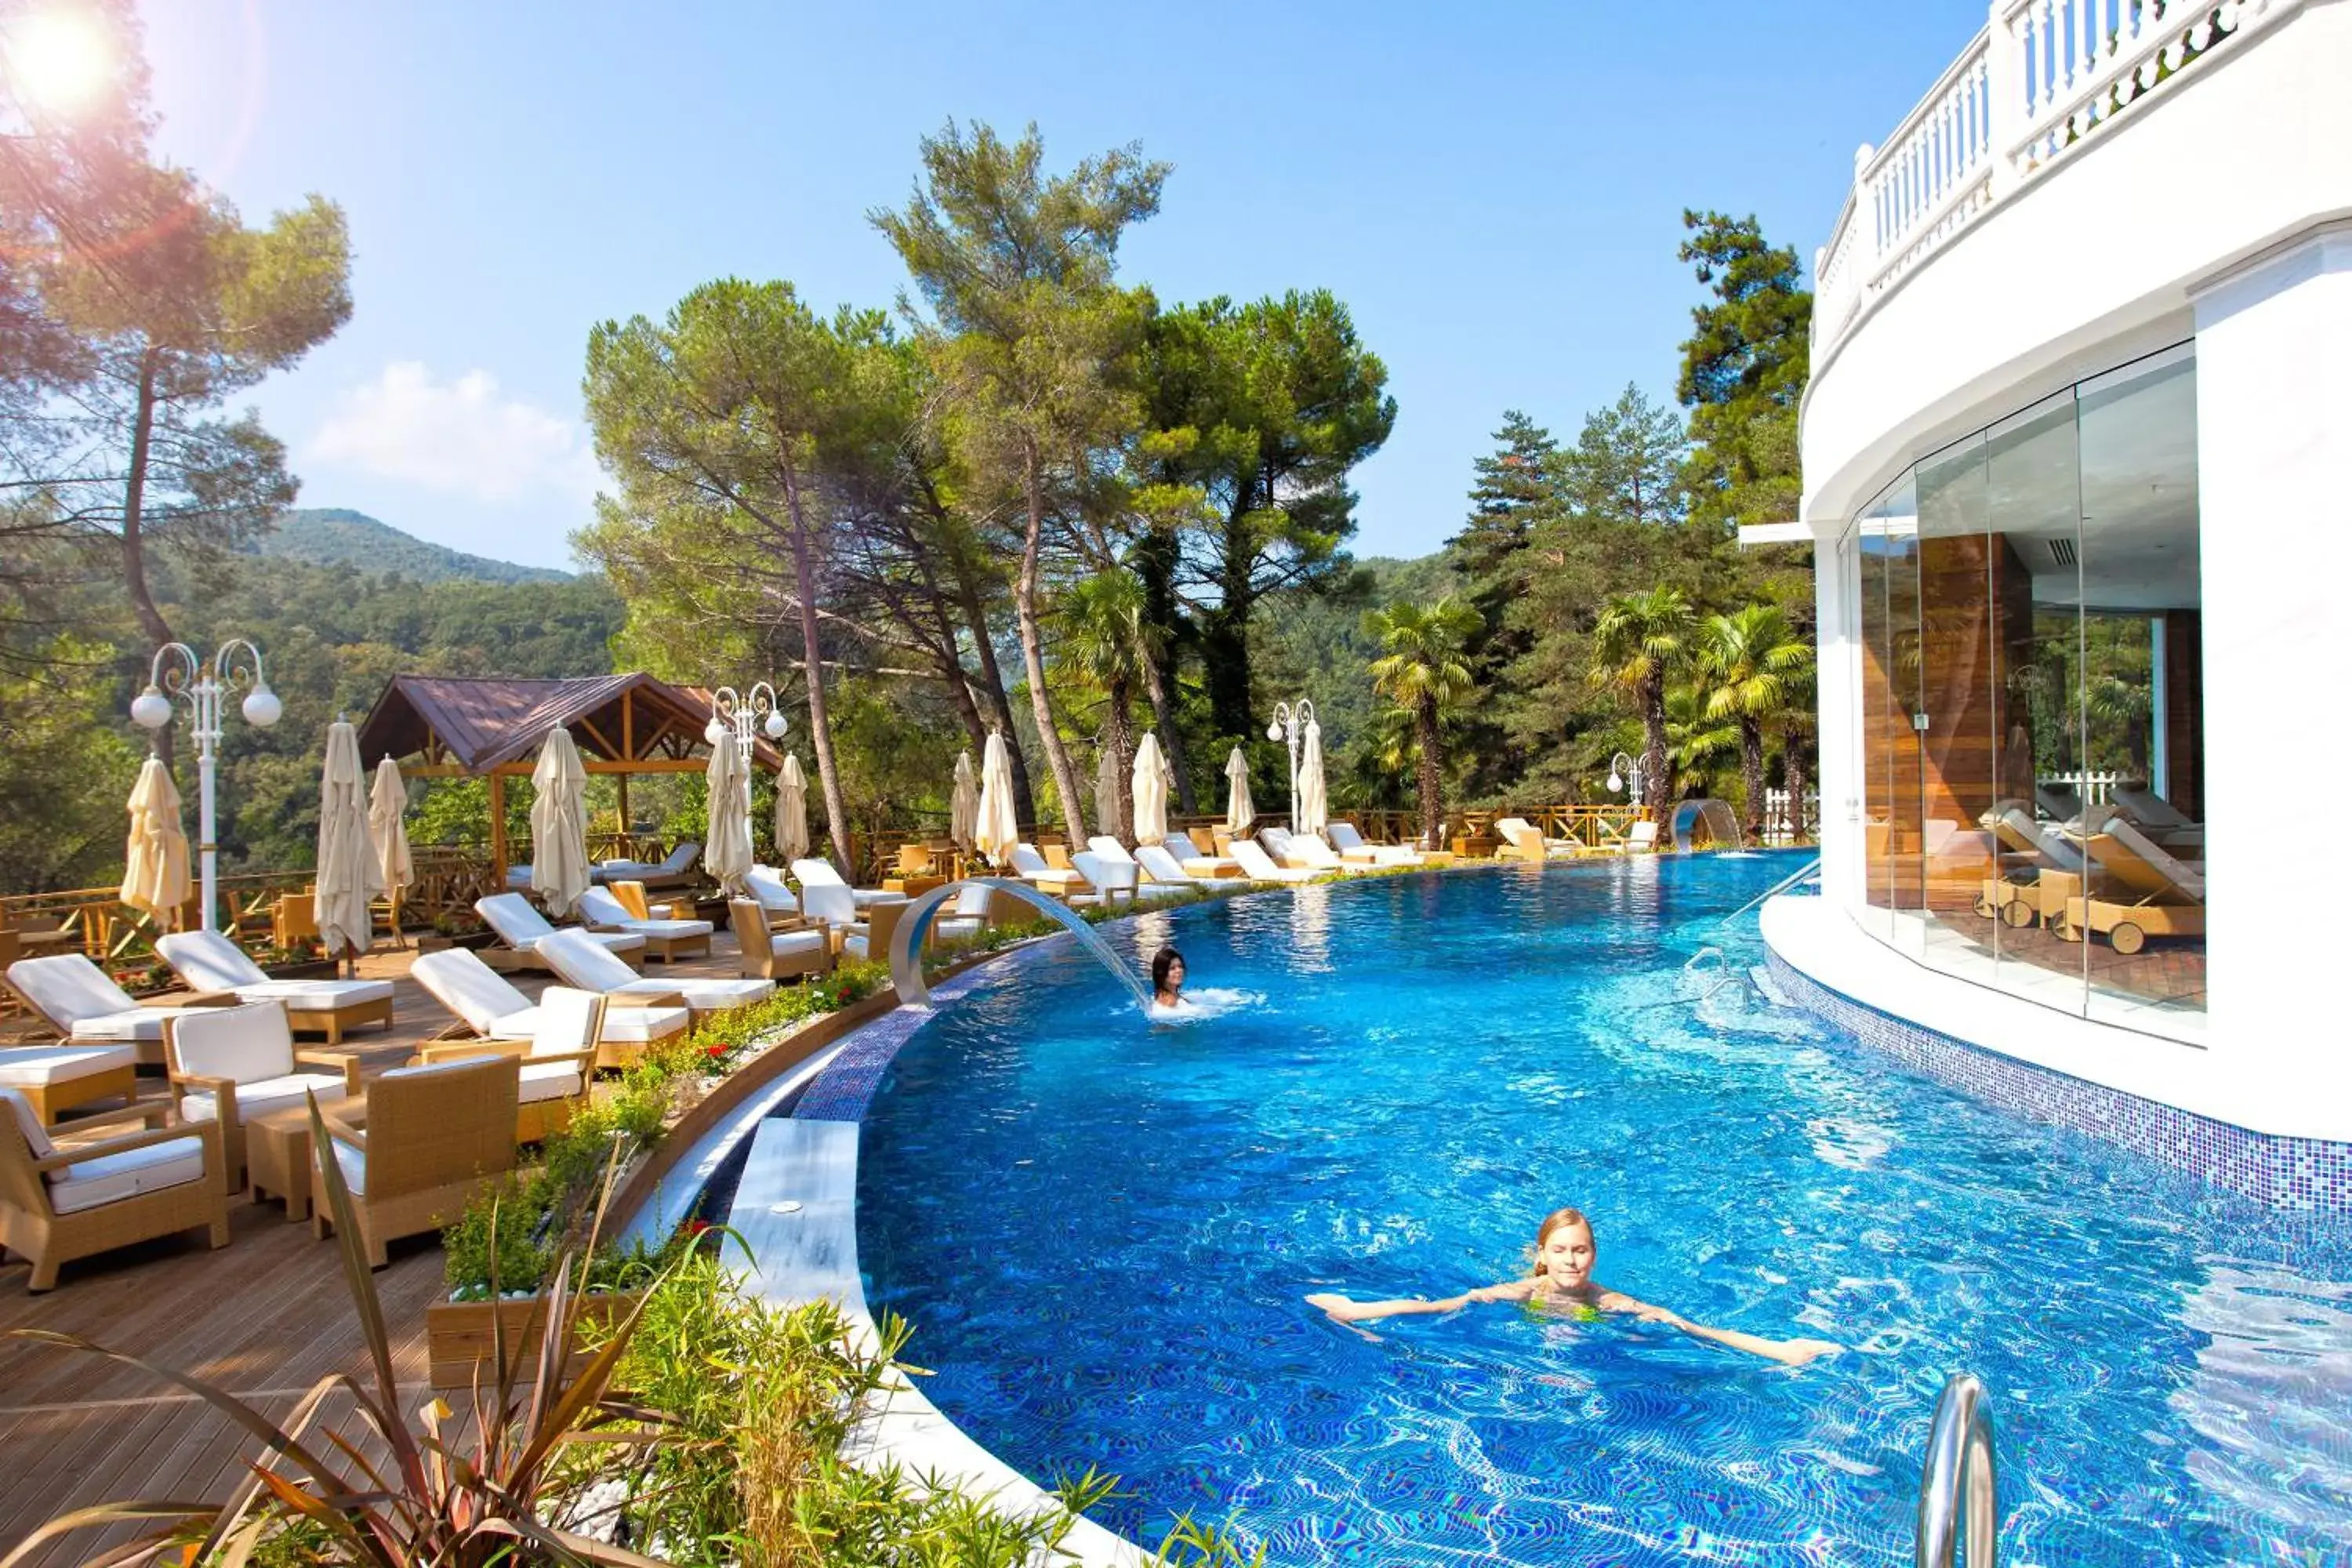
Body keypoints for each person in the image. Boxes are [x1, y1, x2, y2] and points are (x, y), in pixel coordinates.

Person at [1303, 1206, 1842, 1368]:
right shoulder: (1526, 1291)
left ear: (1594, 1255)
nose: (1571, 1260)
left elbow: (1693, 1327)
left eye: (1580, 1249)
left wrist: (1781, 1350)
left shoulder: (1607, 1301)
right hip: (1538, 1343)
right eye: (1560, 1250)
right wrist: (1357, 1310)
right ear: (1542, 1257)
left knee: (1670, 1327)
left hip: (1584, 1344)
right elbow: (1438, 1306)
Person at [1149, 946, 1192, 1017]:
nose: (1179, 971)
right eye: (1172, 968)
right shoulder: (1170, 1002)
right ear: (1161, 973)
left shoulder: (1166, 996)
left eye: (1180, 966)